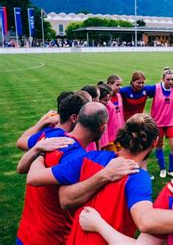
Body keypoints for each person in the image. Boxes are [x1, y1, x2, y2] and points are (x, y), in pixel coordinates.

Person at [17, 102, 136, 245]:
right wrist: (105, 175)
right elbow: (66, 200)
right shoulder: (78, 158)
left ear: (78, 118)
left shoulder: (52, 136)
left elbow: (21, 161)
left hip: (25, 234)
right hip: (52, 239)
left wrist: (39, 150)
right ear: (102, 128)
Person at [16, 92, 86, 151]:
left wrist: (42, 122)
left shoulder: (45, 134)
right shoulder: (73, 142)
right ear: (74, 118)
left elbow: (20, 142)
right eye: (83, 116)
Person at [150, 67, 173, 178]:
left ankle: (171, 170)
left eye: (172, 79)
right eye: (168, 79)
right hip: (158, 123)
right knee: (159, 146)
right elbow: (141, 91)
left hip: (171, 123)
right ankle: (162, 168)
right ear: (162, 79)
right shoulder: (155, 88)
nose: (170, 82)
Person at [105, 74, 125, 151]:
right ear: (109, 84)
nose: (120, 87)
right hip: (109, 135)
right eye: (117, 85)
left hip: (120, 133)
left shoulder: (119, 96)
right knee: (113, 158)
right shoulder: (105, 99)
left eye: (120, 85)